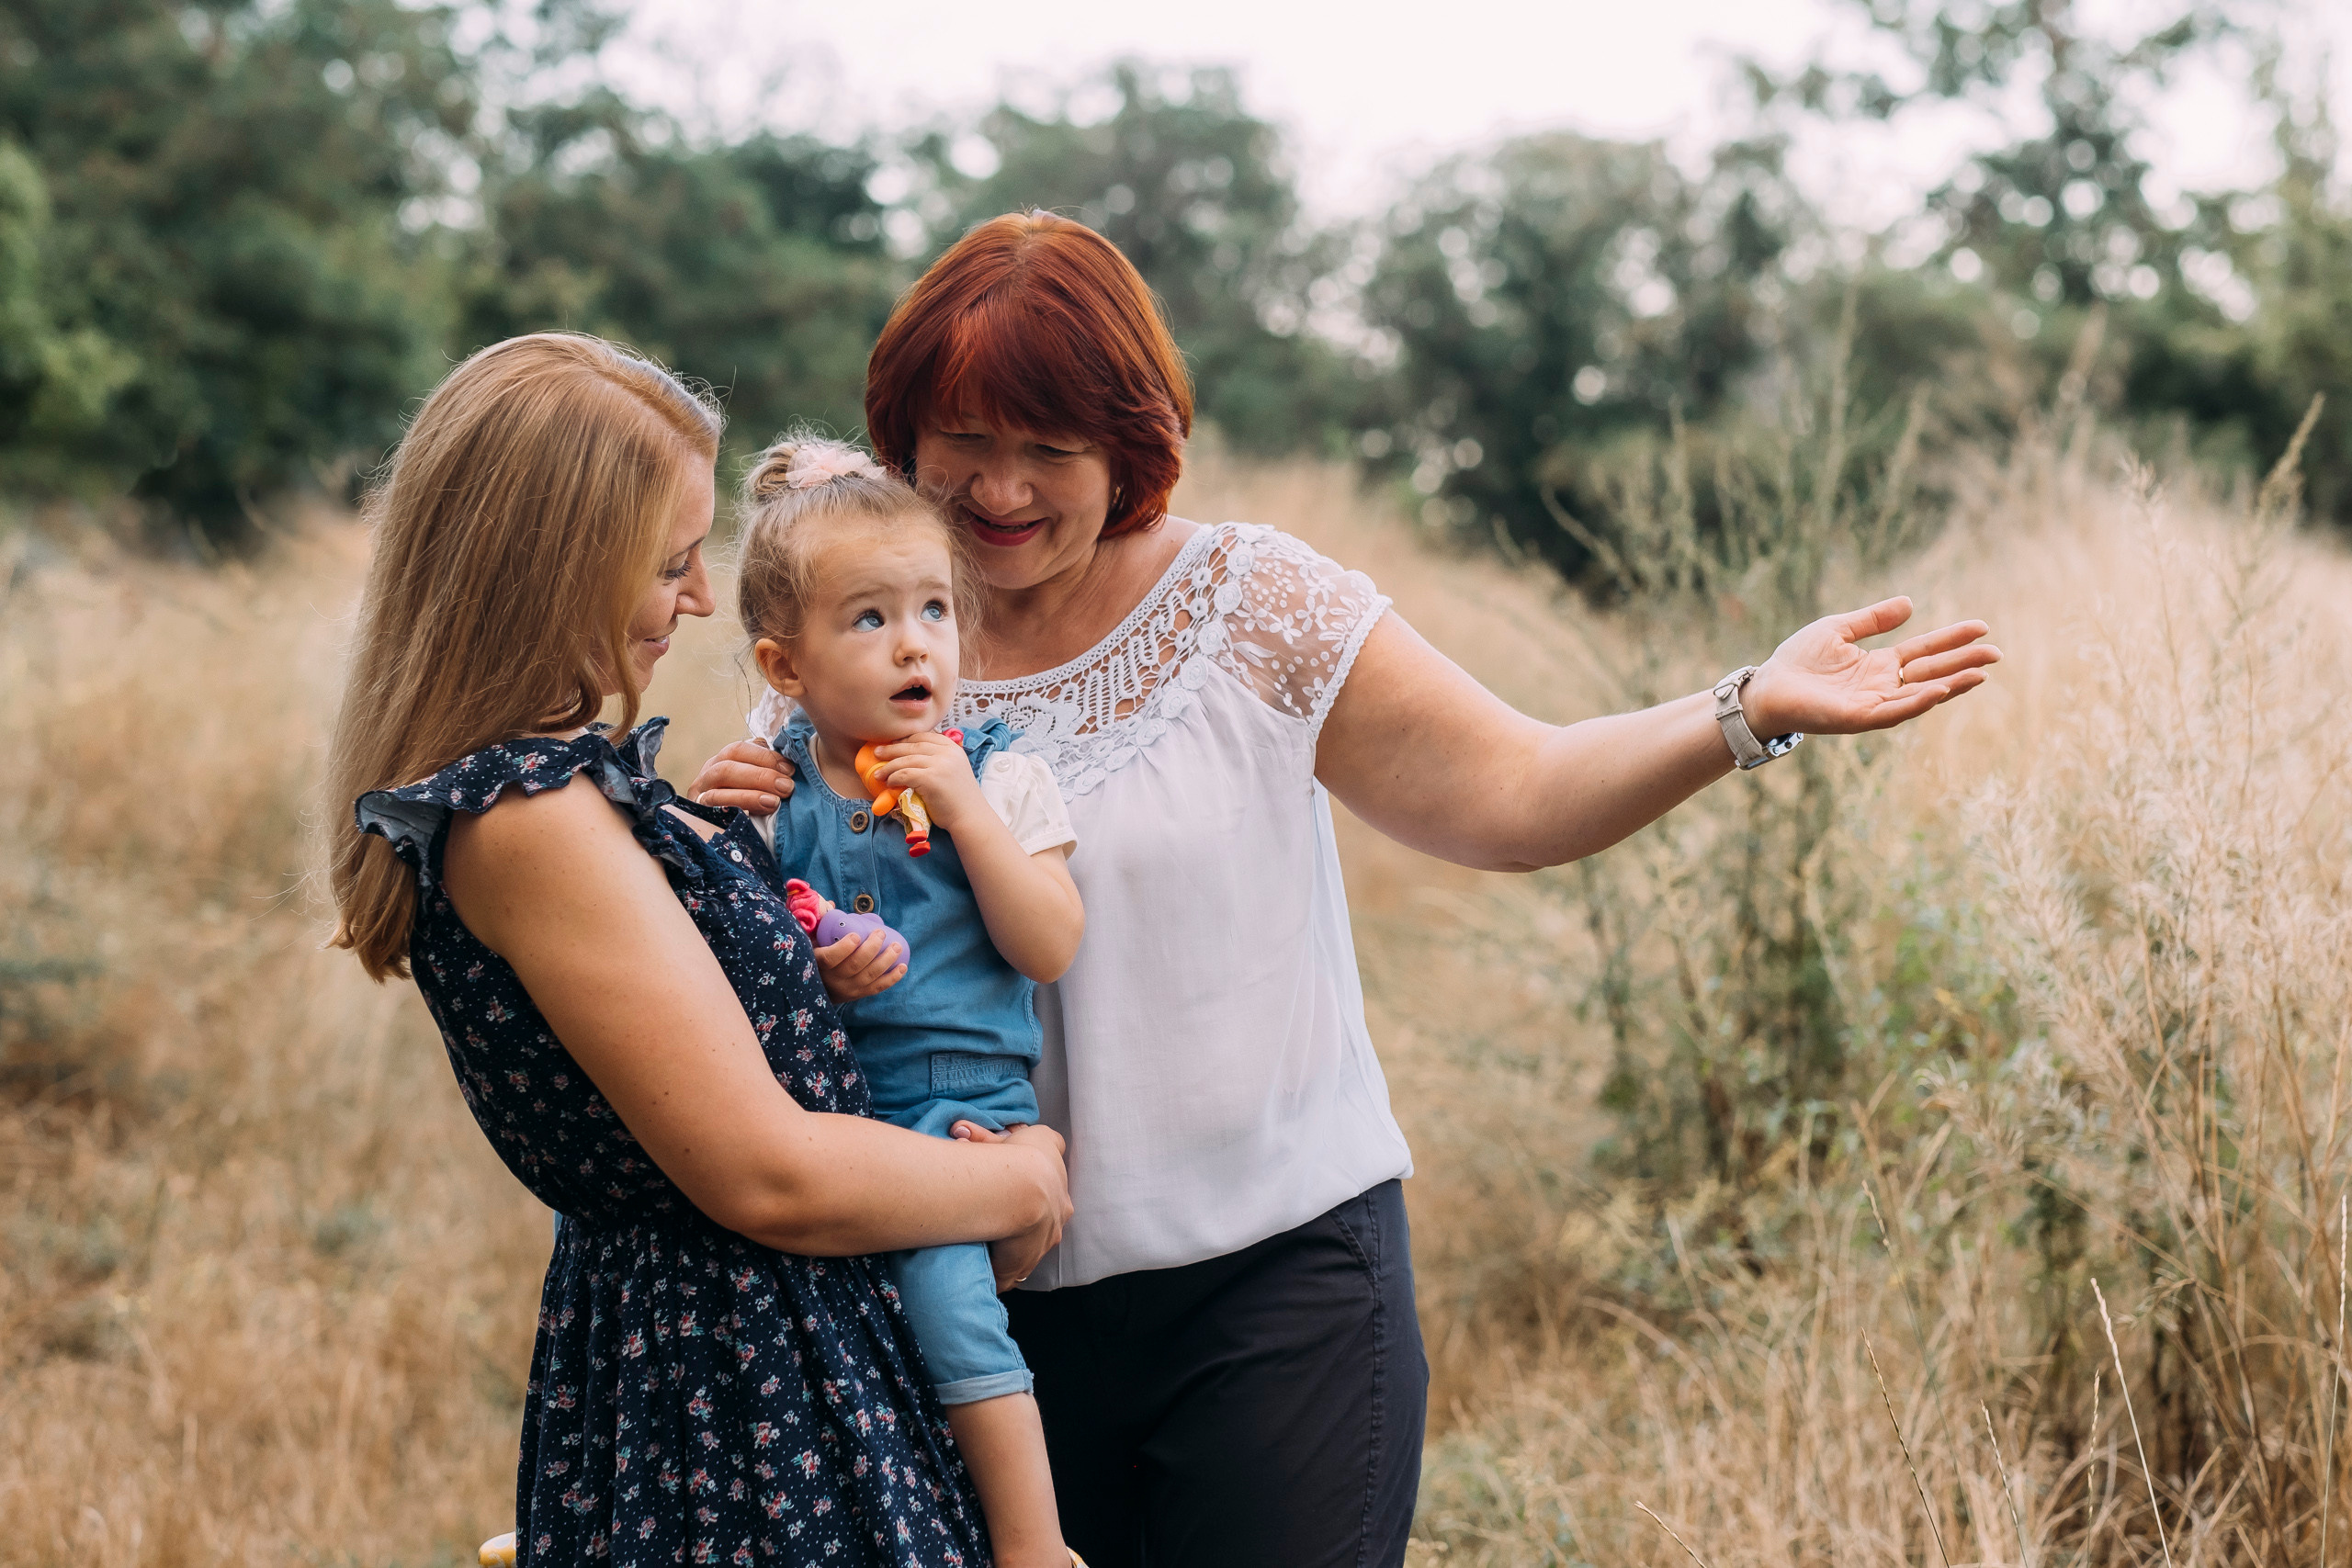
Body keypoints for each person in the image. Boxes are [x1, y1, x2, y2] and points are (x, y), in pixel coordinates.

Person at [689, 212, 2002, 1568]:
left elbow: (1518, 790)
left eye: (1054, 447)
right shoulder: (848, 636)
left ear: (1128, 445)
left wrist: (1746, 707)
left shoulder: (1251, 600)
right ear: (904, 431)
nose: (1004, 487)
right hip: (961, 1300)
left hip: (1271, 1298)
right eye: (966, 437)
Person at [323, 332, 1071, 1566]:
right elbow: (768, 1174)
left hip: (767, 1361)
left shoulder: (562, 793)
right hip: (739, 1403)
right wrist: (1023, 1182)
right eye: (671, 563)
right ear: (559, 564)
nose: (701, 599)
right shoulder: (530, 820)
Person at [731, 431, 1087, 1567]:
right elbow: (727, 972)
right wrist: (811, 965)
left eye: (933, 609)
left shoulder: (1001, 773)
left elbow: (1048, 946)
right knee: (823, 1340)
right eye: (868, 619)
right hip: (821, 1113)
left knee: (946, 1308)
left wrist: (968, 814)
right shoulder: (769, 791)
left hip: (958, 1108)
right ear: (786, 667)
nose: (912, 644)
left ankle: (1034, 1546)